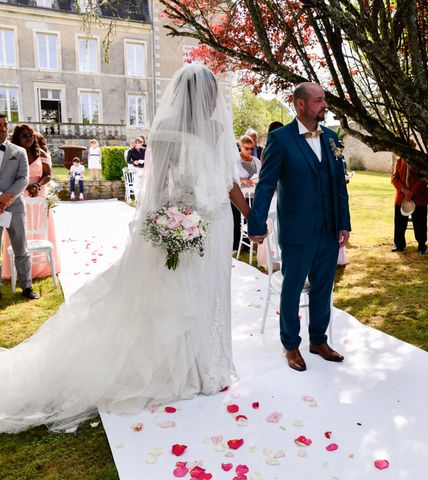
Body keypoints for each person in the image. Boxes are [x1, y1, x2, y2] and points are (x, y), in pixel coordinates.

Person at [0, 63, 250, 433]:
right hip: (183, 222)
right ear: (195, 93)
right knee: (179, 296)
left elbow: (229, 179)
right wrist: (166, 223)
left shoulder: (217, 129)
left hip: (217, 225)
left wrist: (250, 213)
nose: (215, 99)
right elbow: (158, 186)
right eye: (210, 91)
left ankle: (209, 364)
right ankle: (183, 370)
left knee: (211, 294)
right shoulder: (166, 130)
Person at [248, 82, 351, 372]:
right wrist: (256, 223)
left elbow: (338, 185)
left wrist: (344, 222)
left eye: (325, 100)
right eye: (319, 101)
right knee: (292, 288)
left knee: (323, 287)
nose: (325, 105)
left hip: (329, 229)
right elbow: (266, 185)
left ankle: (318, 339)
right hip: (297, 229)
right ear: (300, 104)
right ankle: (291, 345)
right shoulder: (280, 140)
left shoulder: (331, 138)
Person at [1, 129, 60, 281]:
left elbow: (47, 174)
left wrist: (38, 185)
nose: (28, 138)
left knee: (40, 230)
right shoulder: (13, 154)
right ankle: (16, 270)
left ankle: (41, 268)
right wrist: (25, 187)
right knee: (19, 233)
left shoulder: (41, 153)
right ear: (17, 138)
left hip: (39, 196)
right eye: (24, 136)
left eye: (31, 135)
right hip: (18, 196)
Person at [0, 115, 37, 299]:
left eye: (5, 125)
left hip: (14, 206)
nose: (2, 128)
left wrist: (5, 199)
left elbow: (23, 179)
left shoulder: (18, 152)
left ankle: (27, 287)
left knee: (21, 248)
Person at [391, 141, 428, 254]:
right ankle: (399, 244)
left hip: (419, 197)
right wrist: (404, 190)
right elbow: (394, 178)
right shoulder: (399, 160)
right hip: (401, 196)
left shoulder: (421, 161)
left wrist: (412, 192)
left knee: (420, 223)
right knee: (399, 222)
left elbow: (425, 178)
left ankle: (422, 246)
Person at [232, 135, 261, 251]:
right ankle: (236, 245)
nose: (249, 151)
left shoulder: (257, 161)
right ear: (240, 146)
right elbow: (231, 178)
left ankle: (248, 244)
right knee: (237, 219)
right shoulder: (235, 160)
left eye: (251, 148)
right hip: (239, 195)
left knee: (251, 218)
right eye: (246, 148)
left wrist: (257, 180)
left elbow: (261, 174)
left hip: (254, 194)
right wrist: (242, 180)